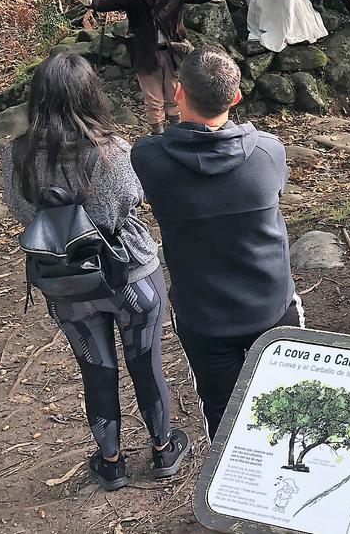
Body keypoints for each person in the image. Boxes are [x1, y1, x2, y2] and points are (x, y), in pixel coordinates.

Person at [1, 53, 190, 491]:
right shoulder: (112, 148)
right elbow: (129, 200)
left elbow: (18, 210)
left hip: (66, 281)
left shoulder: (17, 154)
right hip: (128, 274)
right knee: (146, 363)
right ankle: (163, 450)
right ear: (90, 94)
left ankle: (111, 462)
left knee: (96, 369)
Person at [130, 46, 304, 439]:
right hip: (272, 307)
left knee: (224, 422)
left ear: (178, 92)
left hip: (203, 317)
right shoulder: (267, 151)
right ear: (236, 97)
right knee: (292, 411)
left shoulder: (148, 159)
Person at [63, 0, 241, 136]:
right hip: (144, 52)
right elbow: (104, 3)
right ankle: (158, 138)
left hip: (174, 51)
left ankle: (177, 136)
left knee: (175, 97)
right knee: (153, 101)